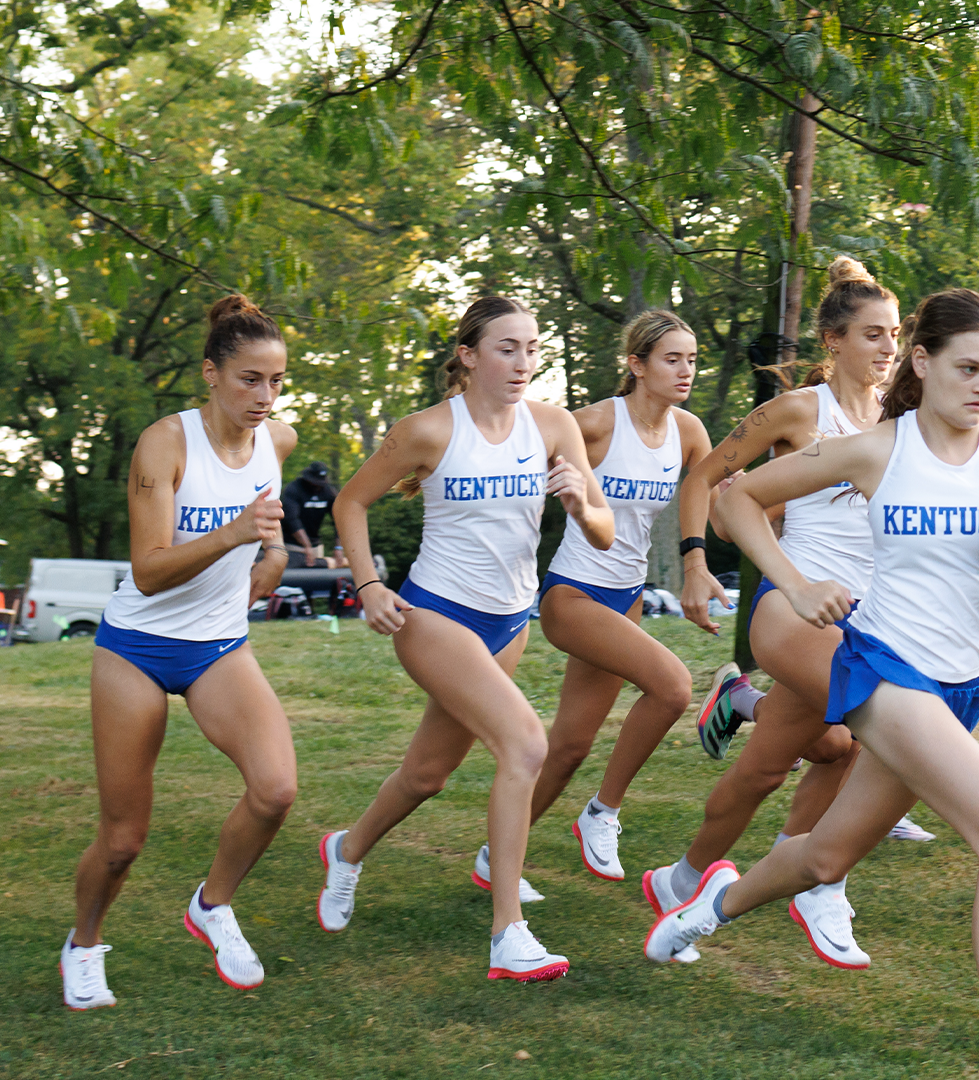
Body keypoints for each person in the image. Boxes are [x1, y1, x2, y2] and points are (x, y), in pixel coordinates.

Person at [646, 288, 979, 1080]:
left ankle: (709, 907)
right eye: (967, 368)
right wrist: (793, 585)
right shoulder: (875, 449)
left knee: (825, 859)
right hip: (886, 670)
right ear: (922, 362)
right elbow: (736, 498)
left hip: (967, 685)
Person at [317, 296, 613, 982]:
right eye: (507, 348)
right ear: (469, 356)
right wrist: (368, 585)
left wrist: (580, 504)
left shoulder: (553, 425)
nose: (523, 362)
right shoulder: (427, 430)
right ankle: (509, 932)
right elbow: (350, 501)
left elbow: (602, 533)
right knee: (526, 744)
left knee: (427, 775)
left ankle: (347, 850)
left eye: (532, 349)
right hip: (434, 614)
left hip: (509, 622)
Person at [648, 257, 899, 968]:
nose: (888, 347)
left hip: (866, 616)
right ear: (834, 341)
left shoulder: (902, 418)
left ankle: (682, 880)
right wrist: (695, 562)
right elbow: (707, 479)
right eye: (873, 334)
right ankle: (820, 882)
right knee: (883, 726)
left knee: (785, 762)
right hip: (792, 610)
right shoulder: (798, 411)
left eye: (895, 334)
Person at [62, 295, 299, 1008]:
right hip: (136, 648)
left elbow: (268, 521)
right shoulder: (165, 444)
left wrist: (274, 554)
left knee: (275, 790)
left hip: (218, 646)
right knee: (123, 840)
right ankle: (84, 944)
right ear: (211, 373)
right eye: (249, 379)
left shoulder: (277, 441)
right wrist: (234, 534)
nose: (264, 397)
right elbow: (148, 569)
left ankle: (212, 904)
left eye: (276, 381)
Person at [502, 311, 708, 894]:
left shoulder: (688, 432)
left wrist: (697, 562)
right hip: (572, 593)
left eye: (692, 360)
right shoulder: (594, 425)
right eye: (672, 359)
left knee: (569, 747)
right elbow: (515, 456)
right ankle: (603, 811)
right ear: (637, 365)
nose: (686, 371)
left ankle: (498, 856)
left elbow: (707, 489)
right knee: (673, 687)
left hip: (628, 597)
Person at [281, 461, 337, 567]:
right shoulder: (294, 489)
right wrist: (306, 545)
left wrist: (338, 547)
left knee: (317, 572)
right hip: (292, 546)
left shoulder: (328, 492)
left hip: (315, 545)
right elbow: (292, 519)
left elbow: (338, 520)